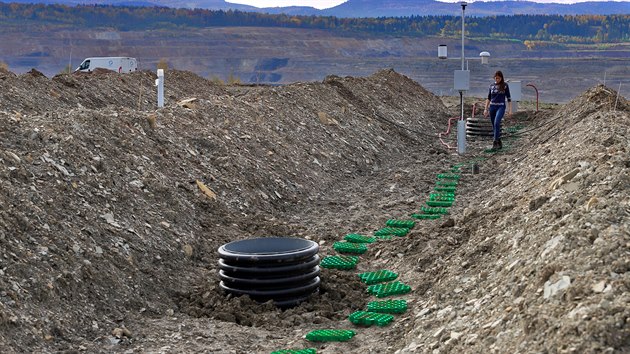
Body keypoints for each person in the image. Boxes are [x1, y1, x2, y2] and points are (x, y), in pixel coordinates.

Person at [483, 71, 512, 150]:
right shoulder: (491, 86)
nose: (497, 79)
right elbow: (489, 98)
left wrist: (510, 110)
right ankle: (499, 141)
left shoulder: (505, 86)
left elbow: (509, 98)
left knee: (497, 122)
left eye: (498, 78)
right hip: (492, 107)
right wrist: (486, 109)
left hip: (501, 107)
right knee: (494, 125)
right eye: (496, 78)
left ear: (501, 78)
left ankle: (495, 142)